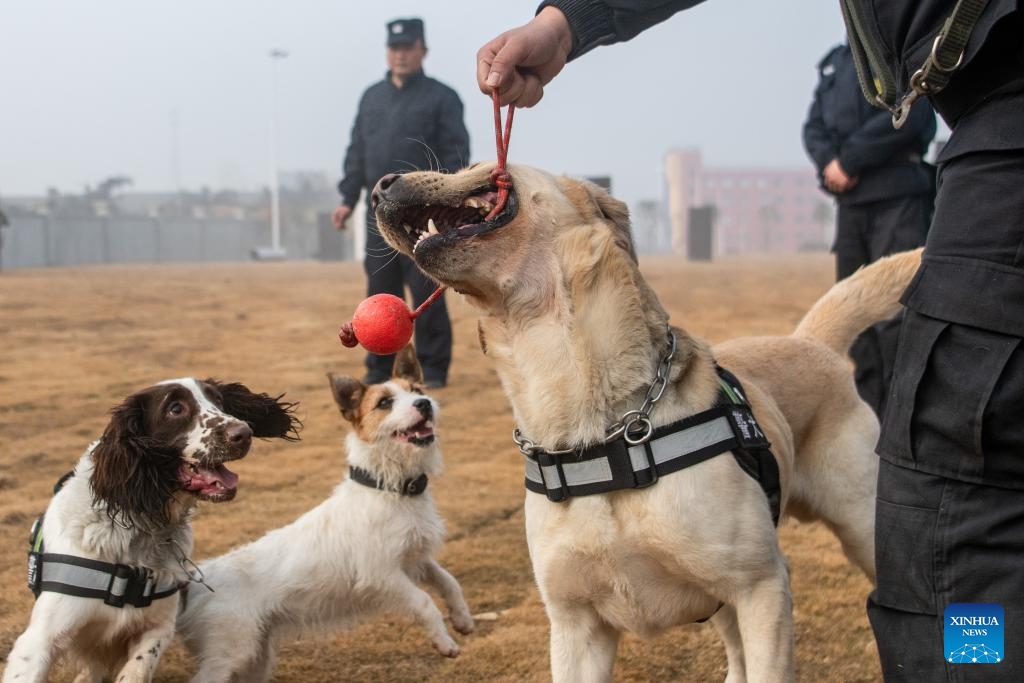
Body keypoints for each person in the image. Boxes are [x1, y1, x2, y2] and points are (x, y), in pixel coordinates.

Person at [478, 2, 1024, 681]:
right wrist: (568, 24)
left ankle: (983, 664)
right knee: (962, 515)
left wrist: (569, 24)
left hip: (1002, 112)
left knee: (960, 513)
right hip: (981, 111)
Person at [802, 42, 937, 418]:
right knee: (854, 315)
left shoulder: (904, 46)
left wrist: (848, 160)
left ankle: (908, 418)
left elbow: (915, 109)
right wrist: (830, 165)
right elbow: (813, 127)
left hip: (898, 195)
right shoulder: (836, 62)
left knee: (898, 318)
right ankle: (873, 419)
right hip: (850, 204)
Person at [333, 17, 470, 388]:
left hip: (423, 214)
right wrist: (347, 198)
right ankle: (379, 367)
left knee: (427, 291)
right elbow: (356, 150)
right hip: (378, 212)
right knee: (379, 290)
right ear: (387, 52)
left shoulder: (443, 98)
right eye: (395, 48)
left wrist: (450, 203)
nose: (401, 55)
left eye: (409, 47)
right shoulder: (371, 97)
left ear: (422, 50)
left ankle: (435, 370)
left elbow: (456, 151)